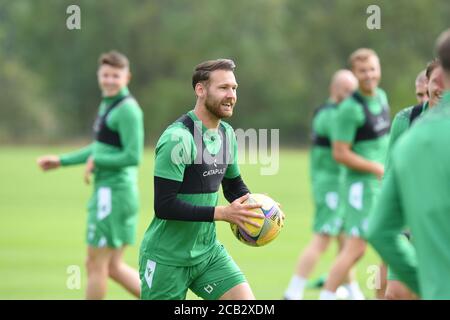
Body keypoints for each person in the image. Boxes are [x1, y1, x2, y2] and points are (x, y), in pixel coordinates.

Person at [139, 59, 270, 300]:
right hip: (167, 258)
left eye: (234, 88)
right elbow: (164, 205)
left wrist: (259, 207)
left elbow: (233, 186)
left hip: (207, 254)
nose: (231, 95)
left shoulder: (227, 134)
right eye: (223, 88)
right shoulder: (178, 139)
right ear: (201, 90)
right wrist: (222, 213)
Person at [37, 51, 144, 299]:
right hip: (110, 193)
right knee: (113, 268)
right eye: (105, 75)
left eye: (115, 76)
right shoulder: (108, 103)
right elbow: (99, 148)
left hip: (114, 194)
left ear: (127, 77)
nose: (109, 80)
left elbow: (133, 156)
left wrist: (98, 161)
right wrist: (61, 161)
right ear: (99, 75)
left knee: (96, 265)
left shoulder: (128, 110)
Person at [367, 29, 450, 300]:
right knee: (393, 293)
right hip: (411, 233)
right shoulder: (407, 123)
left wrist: (427, 282)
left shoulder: (415, 140)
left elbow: (379, 229)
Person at [284, 70, 364, 300]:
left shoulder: (337, 112)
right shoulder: (330, 115)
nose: (351, 95)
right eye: (346, 90)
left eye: (353, 91)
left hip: (340, 183)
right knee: (323, 238)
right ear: (334, 90)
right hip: (330, 184)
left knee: (345, 241)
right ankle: (294, 291)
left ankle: (352, 290)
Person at [319, 48, 391, 300]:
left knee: (391, 246)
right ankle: (326, 296)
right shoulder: (350, 109)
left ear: (379, 69)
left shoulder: (382, 97)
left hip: (383, 186)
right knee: (356, 248)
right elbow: (340, 153)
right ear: (355, 74)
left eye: (372, 68)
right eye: (362, 71)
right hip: (360, 187)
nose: (369, 75)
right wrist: (375, 167)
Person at [382, 59, 442, 300]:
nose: (441, 87)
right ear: (427, 84)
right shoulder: (406, 120)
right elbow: (390, 177)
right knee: (395, 294)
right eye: (436, 81)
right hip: (410, 225)